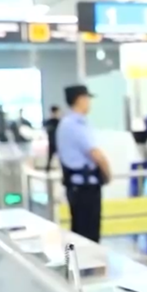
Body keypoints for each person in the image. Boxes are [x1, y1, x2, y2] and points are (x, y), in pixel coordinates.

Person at [56, 85, 110, 243]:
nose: (89, 103)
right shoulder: (75, 125)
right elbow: (96, 154)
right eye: (87, 99)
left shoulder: (67, 123)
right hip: (85, 188)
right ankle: (83, 260)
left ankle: (77, 259)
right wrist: (108, 175)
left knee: (80, 232)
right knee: (88, 235)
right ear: (80, 100)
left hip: (77, 186)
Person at [43, 106, 62, 171]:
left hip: (58, 142)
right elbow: (46, 130)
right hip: (52, 142)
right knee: (50, 158)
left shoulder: (59, 122)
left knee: (61, 158)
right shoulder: (49, 122)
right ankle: (47, 170)